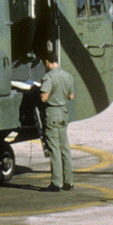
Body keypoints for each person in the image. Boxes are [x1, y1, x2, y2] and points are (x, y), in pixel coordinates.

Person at [39, 55, 76, 191]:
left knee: (54, 149)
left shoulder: (49, 77)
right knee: (64, 149)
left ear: (47, 62)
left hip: (52, 113)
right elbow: (71, 97)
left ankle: (56, 183)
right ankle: (69, 182)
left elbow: (44, 98)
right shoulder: (67, 76)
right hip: (63, 113)